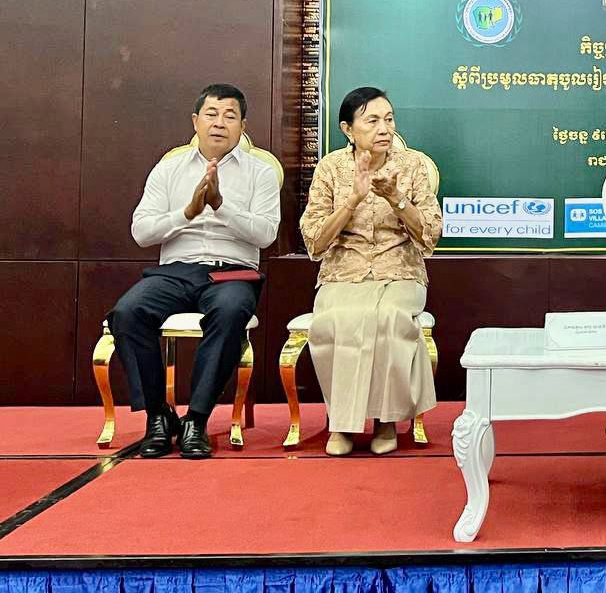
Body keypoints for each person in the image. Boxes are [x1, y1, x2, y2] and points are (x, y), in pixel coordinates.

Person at [112, 84, 281, 459]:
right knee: (127, 312)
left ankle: (197, 420)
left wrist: (221, 206)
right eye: (211, 114)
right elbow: (142, 232)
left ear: (242, 126)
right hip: (175, 272)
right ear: (195, 121)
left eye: (230, 116)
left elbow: (266, 234)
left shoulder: (261, 173)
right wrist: (187, 213)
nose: (219, 123)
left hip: (232, 273)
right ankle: (158, 415)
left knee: (231, 311)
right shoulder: (168, 170)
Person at [300, 87, 443, 456]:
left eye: (389, 119)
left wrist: (396, 198)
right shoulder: (330, 168)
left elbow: (431, 234)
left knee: (390, 318)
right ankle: (342, 422)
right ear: (348, 129)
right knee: (334, 320)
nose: (384, 128)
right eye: (372, 120)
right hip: (343, 271)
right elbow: (314, 240)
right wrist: (352, 200)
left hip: (400, 270)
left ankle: (386, 421)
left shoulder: (412, 165)